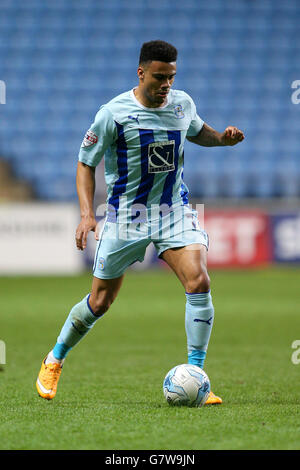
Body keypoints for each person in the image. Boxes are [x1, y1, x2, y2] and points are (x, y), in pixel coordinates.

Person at [36, 40, 244, 403]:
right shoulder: (112, 114)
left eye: (172, 77)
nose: (166, 84)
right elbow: (85, 163)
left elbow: (198, 131)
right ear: (141, 73)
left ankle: (197, 373)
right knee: (99, 303)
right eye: (159, 77)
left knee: (199, 282)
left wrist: (222, 140)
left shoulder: (183, 103)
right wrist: (87, 214)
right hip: (125, 217)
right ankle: (55, 358)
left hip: (172, 211)